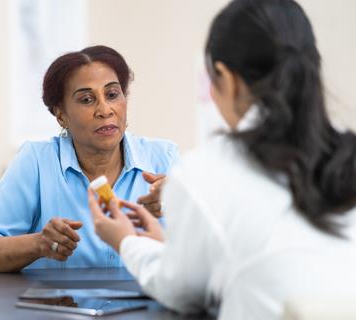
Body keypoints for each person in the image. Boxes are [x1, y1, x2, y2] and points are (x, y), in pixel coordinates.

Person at [89, 1, 356, 319]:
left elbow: (180, 291)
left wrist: (126, 241)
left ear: (226, 79)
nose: (105, 109)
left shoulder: (205, 173)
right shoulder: (344, 153)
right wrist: (173, 244)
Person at [0, 45, 180, 273]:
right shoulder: (37, 162)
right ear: (61, 114)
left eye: (112, 95)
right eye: (87, 99)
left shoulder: (163, 157)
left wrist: (182, 208)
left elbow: (205, 251)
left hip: (147, 306)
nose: (105, 110)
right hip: (59, 306)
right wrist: (37, 244)